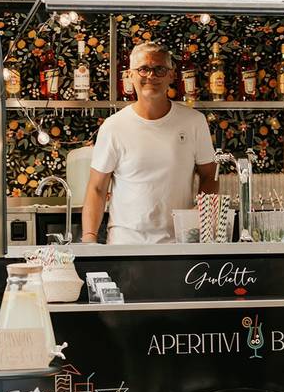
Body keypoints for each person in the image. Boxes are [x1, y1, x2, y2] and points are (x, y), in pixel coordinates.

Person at [81, 42, 217, 244]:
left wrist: (202, 218)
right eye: (143, 69)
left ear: (171, 75)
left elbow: (209, 176)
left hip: (178, 245)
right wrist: (89, 239)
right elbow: (97, 189)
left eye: (159, 69)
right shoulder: (113, 127)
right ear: (130, 75)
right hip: (125, 245)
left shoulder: (194, 122)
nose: (151, 76)